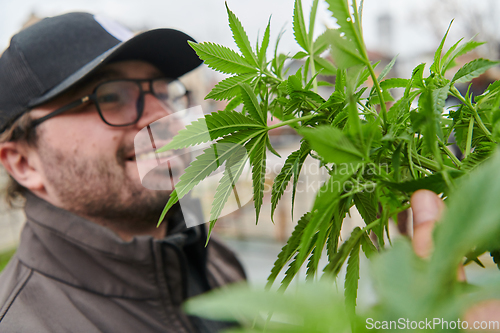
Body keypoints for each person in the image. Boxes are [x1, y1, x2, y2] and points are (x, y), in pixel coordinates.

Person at [0, 12, 245, 332]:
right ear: (24, 163)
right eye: (110, 96)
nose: (162, 116)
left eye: (163, 93)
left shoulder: (213, 256)